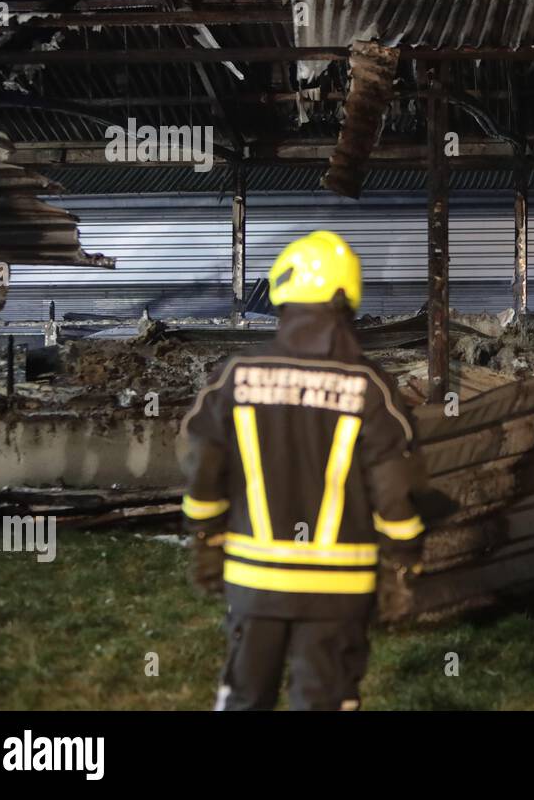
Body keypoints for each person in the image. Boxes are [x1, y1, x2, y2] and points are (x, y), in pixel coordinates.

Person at [178, 230, 427, 710]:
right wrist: (403, 562)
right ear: (346, 298)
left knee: (246, 698)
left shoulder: (235, 376)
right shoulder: (369, 385)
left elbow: (203, 469)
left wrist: (205, 540)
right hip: (338, 589)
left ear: (283, 292)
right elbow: (396, 489)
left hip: (256, 582)